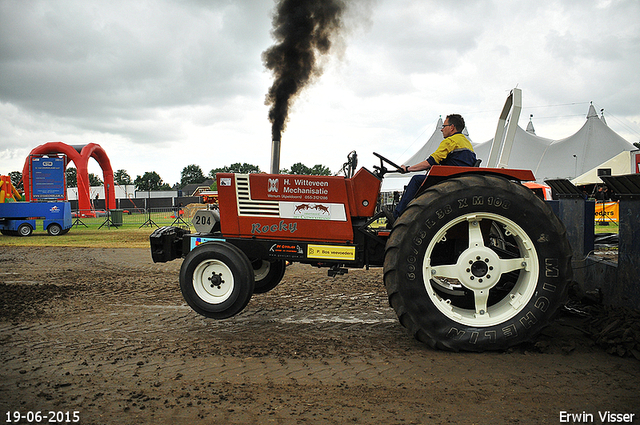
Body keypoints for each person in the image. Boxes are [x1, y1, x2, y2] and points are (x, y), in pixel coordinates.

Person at [393, 114, 476, 219]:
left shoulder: (450, 141)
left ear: (452, 127)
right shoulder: (466, 143)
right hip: (459, 179)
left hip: (449, 181)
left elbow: (430, 162)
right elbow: (456, 162)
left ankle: (397, 216)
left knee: (416, 180)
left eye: (444, 126)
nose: (441, 130)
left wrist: (408, 169)